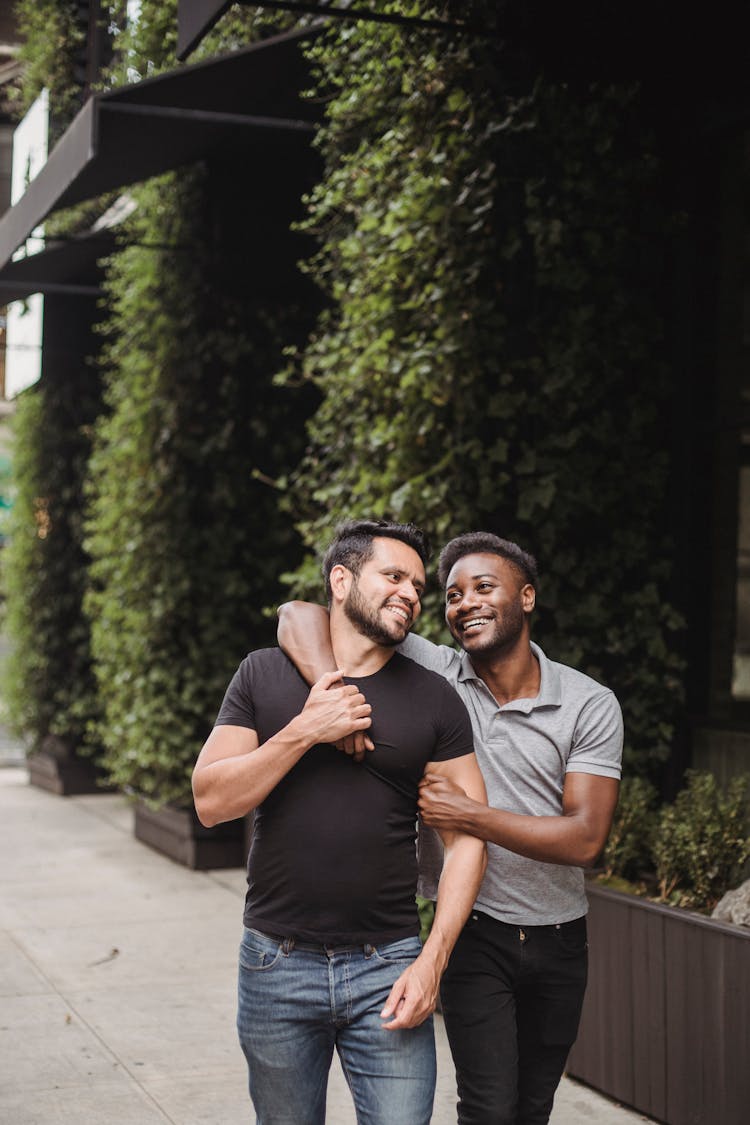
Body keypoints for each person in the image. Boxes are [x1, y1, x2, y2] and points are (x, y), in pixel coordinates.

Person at [278, 530, 623, 1125]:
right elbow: (297, 614)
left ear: (528, 597)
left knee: (533, 1108)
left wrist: (472, 817)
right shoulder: (433, 669)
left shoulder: (587, 703)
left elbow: (586, 839)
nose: (464, 603)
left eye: (483, 588)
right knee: (488, 1107)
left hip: (560, 937)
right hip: (473, 934)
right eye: (453, 595)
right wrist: (329, 695)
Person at [192, 519, 487, 1125]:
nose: (410, 592)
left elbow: (467, 842)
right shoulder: (262, 674)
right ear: (341, 579)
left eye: (418, 585)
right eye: (394, 576)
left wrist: (432, 963)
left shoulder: (435, 698)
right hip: (276, 963)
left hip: (390, 966)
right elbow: (211, 801)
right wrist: (307, 729)